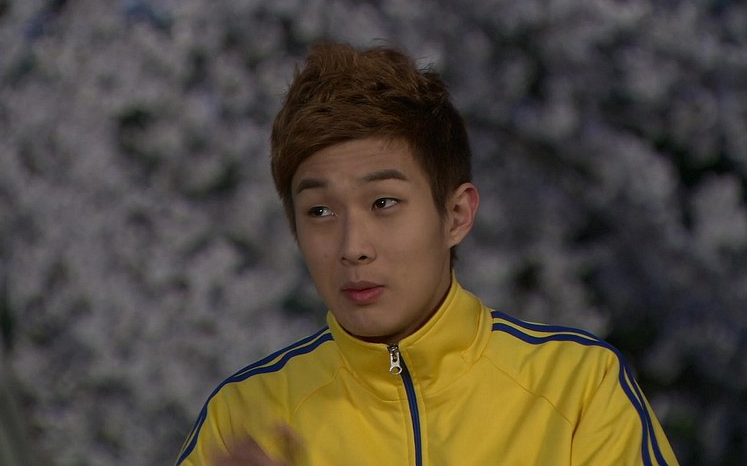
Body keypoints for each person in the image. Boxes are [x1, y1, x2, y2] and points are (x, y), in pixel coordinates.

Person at [175, 42, 678, 465]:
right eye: (320, 211)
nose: (352, 248)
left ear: (456, 214)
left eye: (384, 203)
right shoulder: (244, 416)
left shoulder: (578, 387)